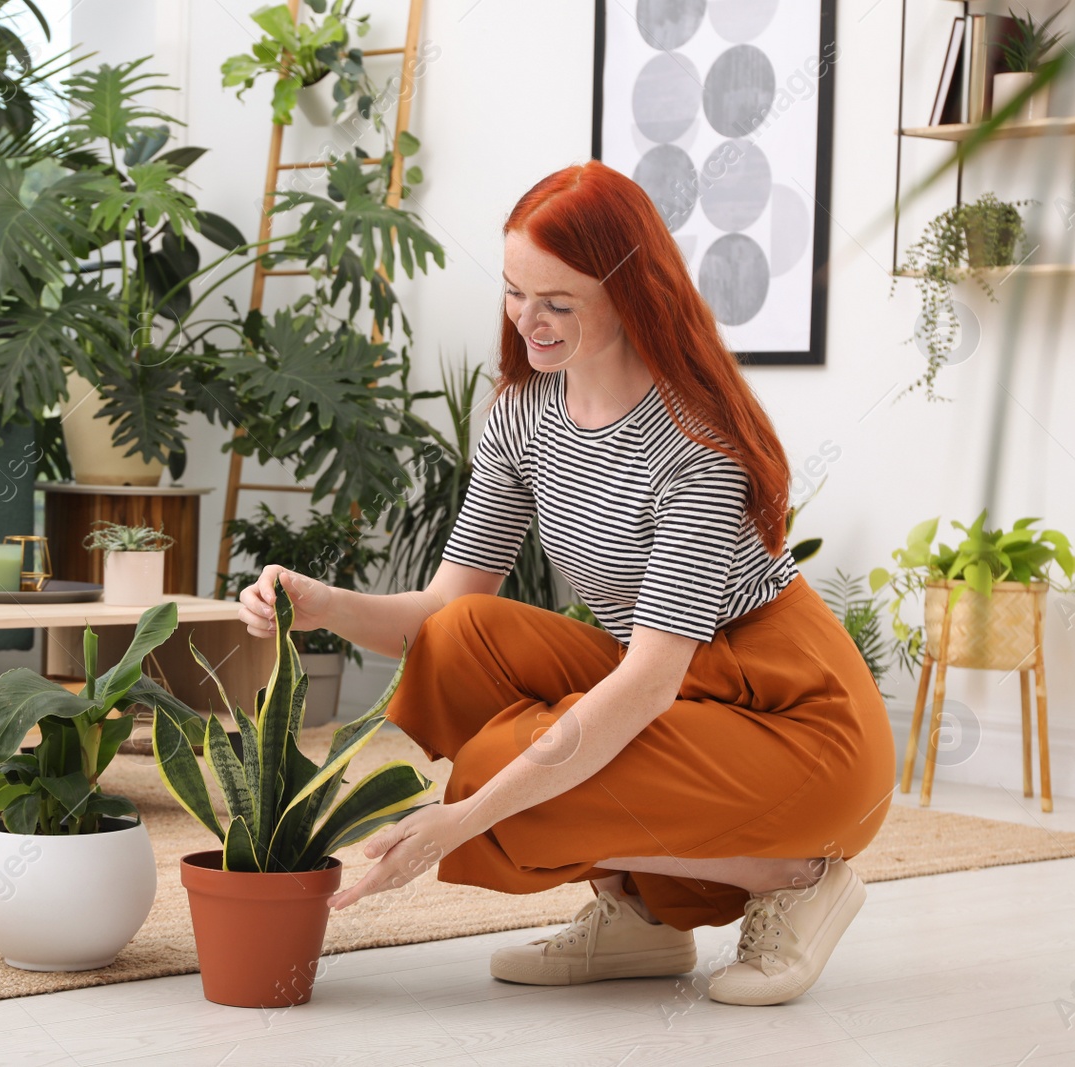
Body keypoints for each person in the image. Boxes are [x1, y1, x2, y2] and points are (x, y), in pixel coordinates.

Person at [234, 160, 896, 1007]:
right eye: (515, 292)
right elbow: (442, 610)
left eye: (559, 301)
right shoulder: (522, 412)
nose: (528, 320)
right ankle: (639, 916)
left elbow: (648, 681)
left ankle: (800, 876)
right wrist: (319, 604)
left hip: (799, 719)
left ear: (633, 294)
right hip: (684, 691)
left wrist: (462, 821)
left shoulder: (696, 447)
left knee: (505, 781)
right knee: (461, 639)